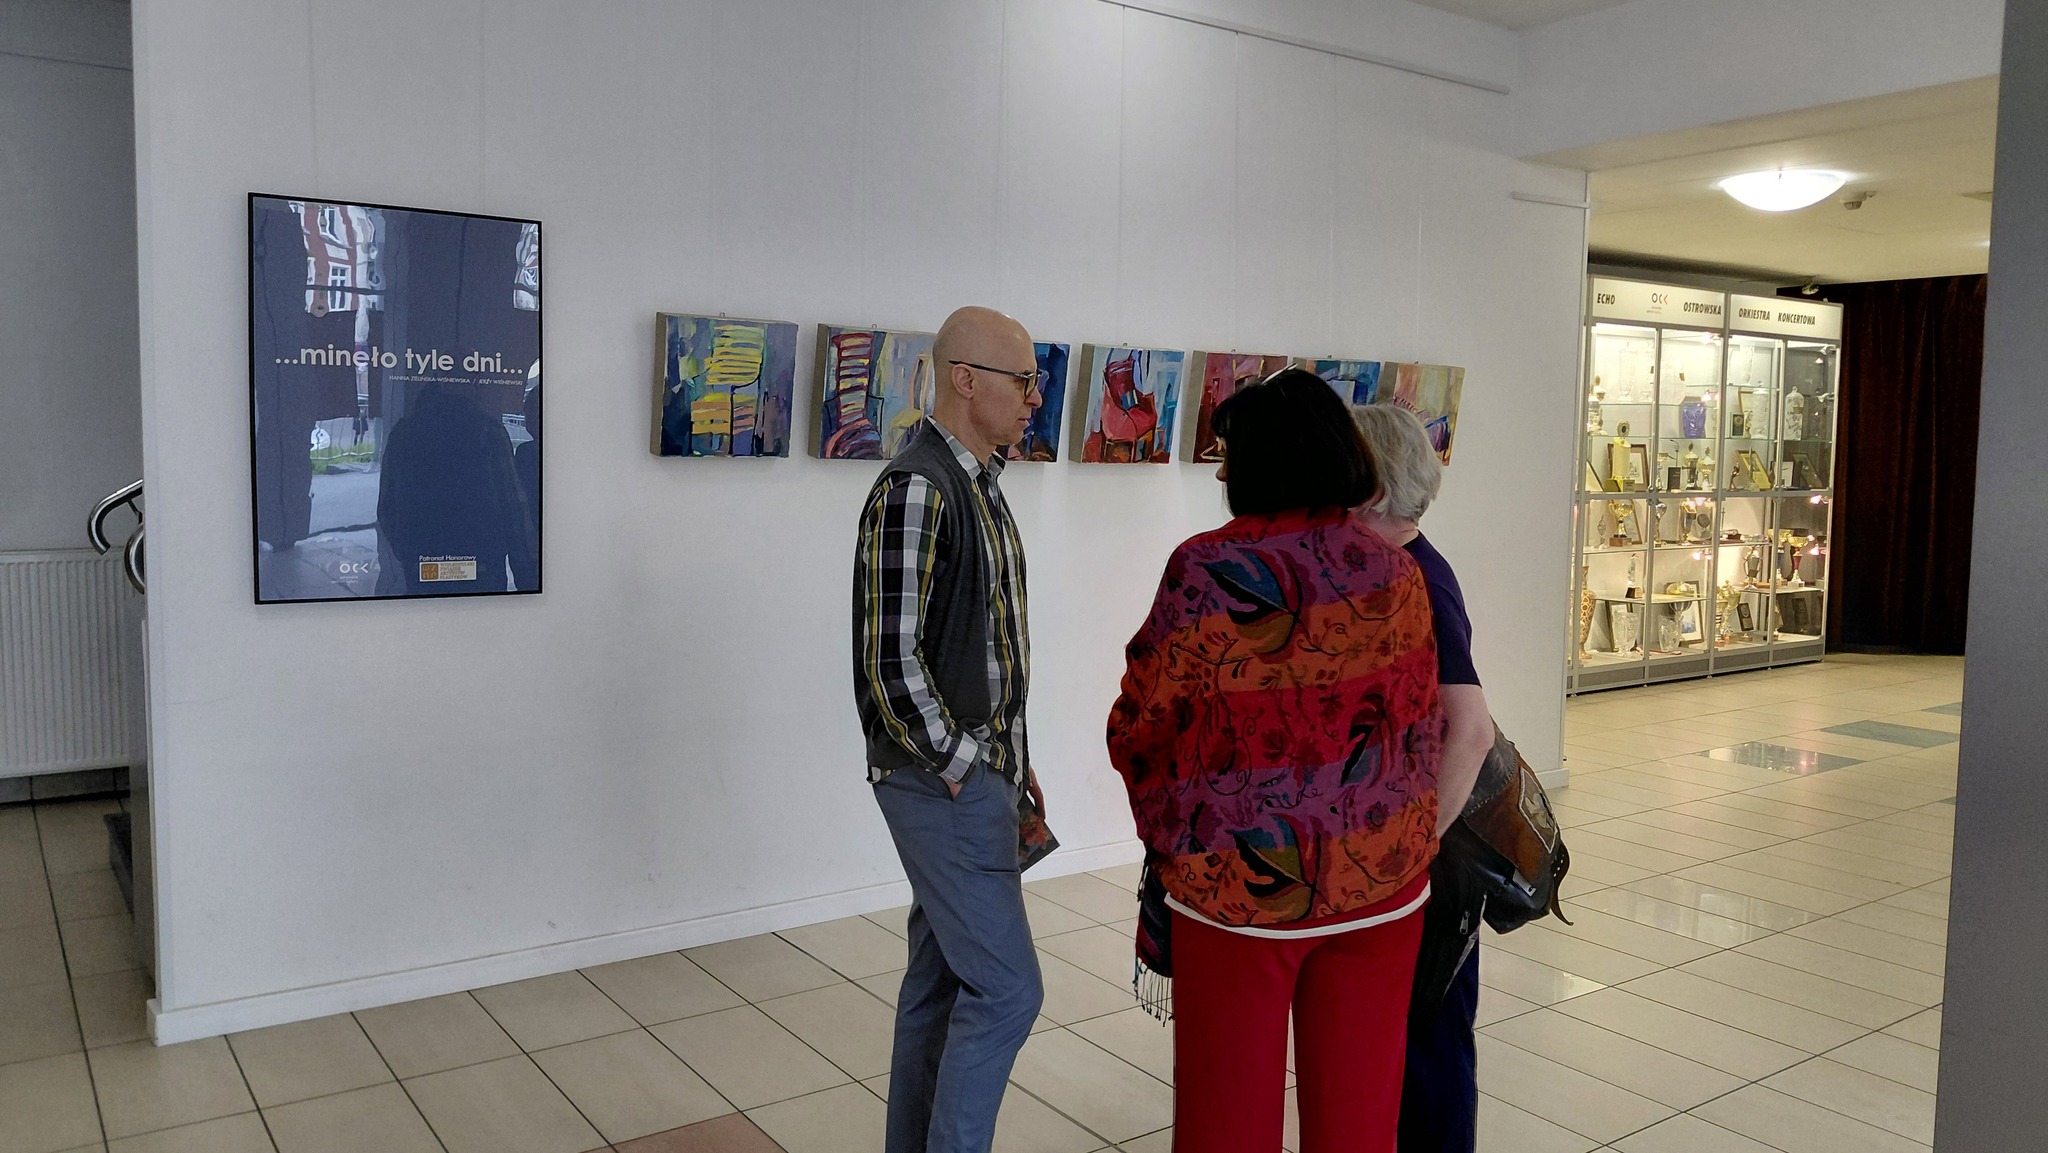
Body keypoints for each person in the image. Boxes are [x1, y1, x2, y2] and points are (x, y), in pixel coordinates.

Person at [1107, 368, 1447, 1153]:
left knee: (1227, 1125)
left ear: (1268, 460)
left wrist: (1174, 826)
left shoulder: (1206, 569)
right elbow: (1421, 723)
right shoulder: (1395, 572)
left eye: (1229, 453)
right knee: (1359, 1124)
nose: (1220, 472)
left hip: (1241, 889)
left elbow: (1144, 719)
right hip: (1381, 886)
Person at [853, 306, 1051, 1153]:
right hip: (939, 781)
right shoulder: (919, 489)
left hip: (975, 771)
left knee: (940, 986)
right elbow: (891, 668)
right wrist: (970, 765)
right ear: (965, 379)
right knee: (1007, 990)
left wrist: (1014, 761)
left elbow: (986, 651)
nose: (1035, 397)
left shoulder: (980, 484)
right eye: (1024, 379)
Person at [1351, 403, 1495, 1153]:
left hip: (1434, 865)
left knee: (1430, 1046)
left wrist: (1415, 846)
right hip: (1417, 855)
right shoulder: (1398, 569)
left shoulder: (1419, 580)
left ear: (1371, 486)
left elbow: (1471, 730)